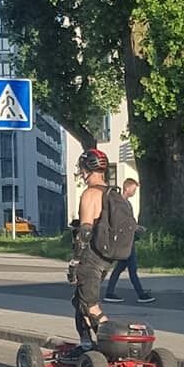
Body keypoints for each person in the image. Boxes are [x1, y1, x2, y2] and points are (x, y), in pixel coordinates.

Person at [68, 148, 114, 349]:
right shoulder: (113, 194)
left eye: (81, 168)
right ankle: (86, 343)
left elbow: (85, 231)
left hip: (91, 257)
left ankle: (114, 343)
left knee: (89, 304)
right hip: (108, 257)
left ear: (86, 169)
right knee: (80, 300)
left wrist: (75, 261)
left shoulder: (90, 194)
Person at [103, 178, 155, 304]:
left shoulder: (126, 203)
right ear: (127, 188)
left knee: (120, 267)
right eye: (134, 189)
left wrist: (136, 227)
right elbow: (122, 222)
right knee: (132, 268)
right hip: (125, 241)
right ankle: (141, 294)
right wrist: (135, 227)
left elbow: (128, 221)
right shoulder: (120, 203)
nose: (135, 192)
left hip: (128, 239)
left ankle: (110, 292)